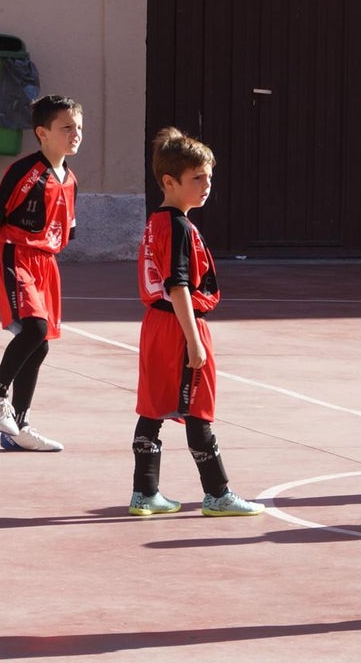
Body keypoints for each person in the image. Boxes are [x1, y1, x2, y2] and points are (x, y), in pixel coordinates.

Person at [128, 127, 264, 518]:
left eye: (209, 177)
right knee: (197, 410)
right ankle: (217, 493)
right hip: (178, 325)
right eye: (197, 178)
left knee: (153, 409)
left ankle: (145, 493)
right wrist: (193, 340)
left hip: (156, 324)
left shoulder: (158, 221)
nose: (206, 185)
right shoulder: (179, 227)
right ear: (169, 182)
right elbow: (178, 285)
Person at [0, 95, 83, 452]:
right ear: (42, 133)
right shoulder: (27, 172)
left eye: (79, 126)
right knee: (34, 327)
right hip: (15, 253)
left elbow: (63, 231)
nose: (75, 133)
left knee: (40, 345)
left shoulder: (70, 180)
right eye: (66, 127)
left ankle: (18, 427)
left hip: (45, 262)